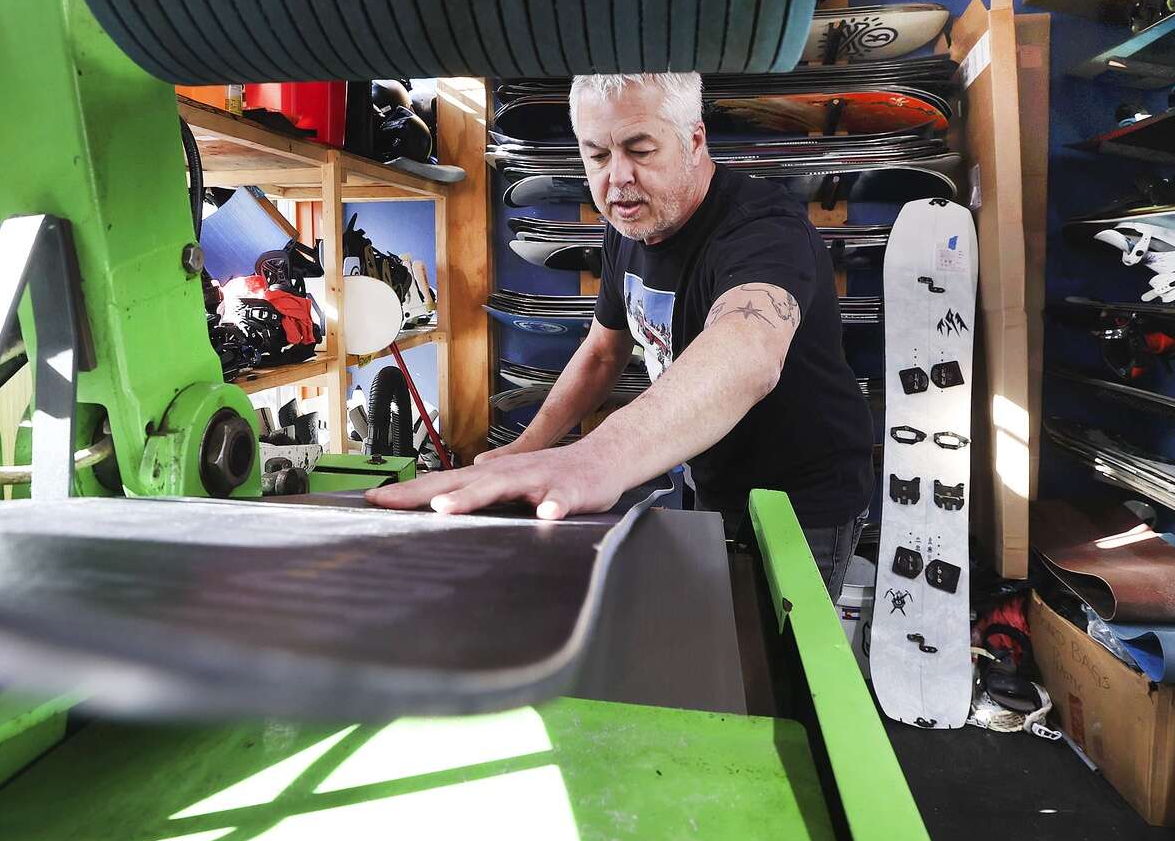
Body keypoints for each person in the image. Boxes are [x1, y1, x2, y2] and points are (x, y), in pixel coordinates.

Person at [366, 72, 873, 597]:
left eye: (640, 150)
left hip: (805, 501)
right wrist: (525, 448)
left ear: (695, 140)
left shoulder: (763, 228)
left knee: (770, 645)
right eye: (597, 155)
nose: (617, 178)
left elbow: (749, 349)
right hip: (714, 480)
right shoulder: (630, 224)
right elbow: (603, 352)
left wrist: (597, 458)